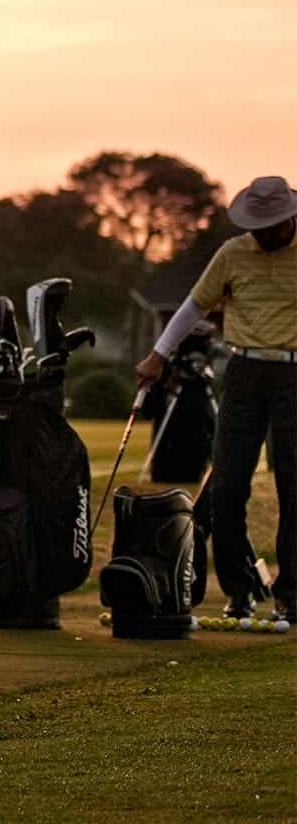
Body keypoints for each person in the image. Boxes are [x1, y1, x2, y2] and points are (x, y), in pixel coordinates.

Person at [136, 174, 296, 622]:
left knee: (293, 484)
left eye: (271, 226)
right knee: (226, 485)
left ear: (290, 219)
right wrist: (158, 355)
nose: (262, 234)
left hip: (294, 373)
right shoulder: (233, 253)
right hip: (243, 373)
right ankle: (239, 589)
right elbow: (193, 306)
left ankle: (291, 594)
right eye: (257, 226)